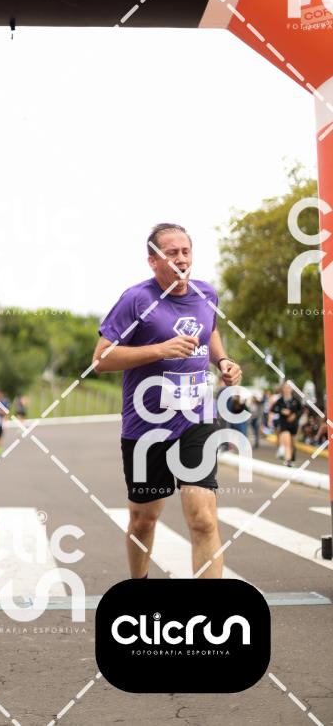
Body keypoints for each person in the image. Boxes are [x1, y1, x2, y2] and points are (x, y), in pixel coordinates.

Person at [92, 223, 242, 580]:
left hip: (197, 419)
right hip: (147, 426)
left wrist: (222, 360)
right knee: (143, 519)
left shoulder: (206, 293)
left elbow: (210, 329)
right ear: (153, 261)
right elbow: (101, 360)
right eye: (171, 253)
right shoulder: (136, 300)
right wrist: (160, 350)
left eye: (185, 252)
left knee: (203, 518)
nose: (181, 259)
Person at [271, 382, 303, 466]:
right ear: (283, 389)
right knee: (287, 441)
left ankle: (291, 458)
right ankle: (287, 459)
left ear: (291, 389)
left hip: (293, 424)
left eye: (288, 388)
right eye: (285, 388)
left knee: (292, 442)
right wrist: (281, 411)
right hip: (284, 424)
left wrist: (295, 415)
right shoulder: (280, 400)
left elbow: (301, 410)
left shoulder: (295, 400)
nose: (287, 389)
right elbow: (273, 409)